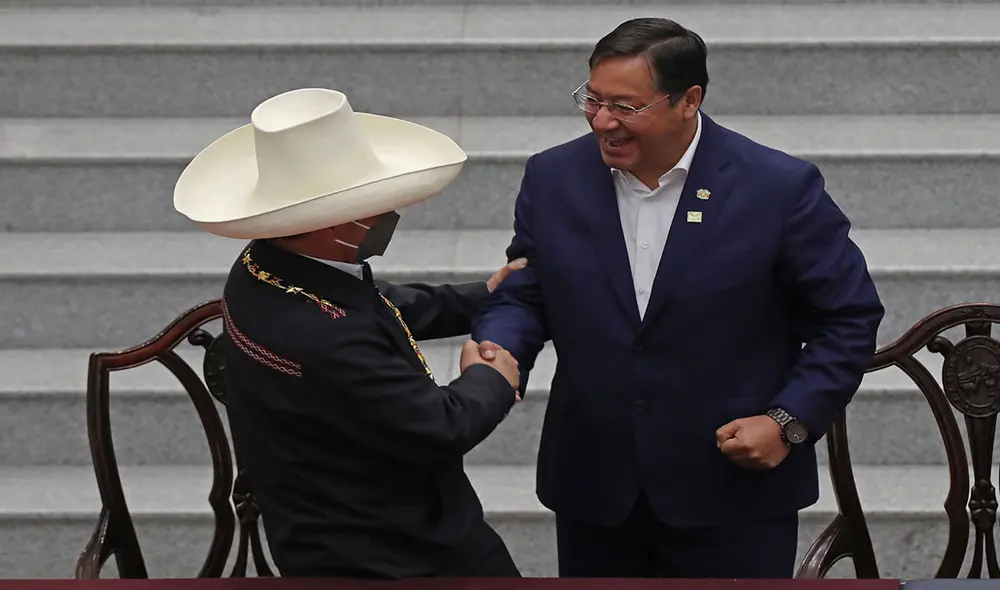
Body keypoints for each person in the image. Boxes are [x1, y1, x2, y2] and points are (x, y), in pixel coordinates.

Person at [471, 17, 885, 579]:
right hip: (596, 487)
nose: (602, 121)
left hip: (730, 492)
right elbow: (525, 288)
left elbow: (849, 317)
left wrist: (788, 421)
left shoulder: (776, 188)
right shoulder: (554, 177)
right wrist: (501, 347)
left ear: (688, 100)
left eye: (625, 106)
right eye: (591, 100)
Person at [173, 87, 528, 579]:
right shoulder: (327, 336)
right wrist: (489, 375)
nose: (387, 215)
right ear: (335, 222)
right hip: (390, 551)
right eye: (377, 204)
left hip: (318, 524)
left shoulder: (262, 267)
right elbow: (441, 428)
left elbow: (375, 303)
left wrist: (477, 297)